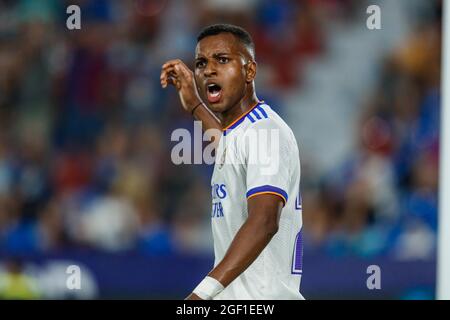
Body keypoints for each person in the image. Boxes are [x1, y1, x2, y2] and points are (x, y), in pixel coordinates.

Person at [160, 24, 304, 300]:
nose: (209, 70)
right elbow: (230, 148)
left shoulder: (265, 132)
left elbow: (264, 221)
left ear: (250, 71)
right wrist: (195, 105)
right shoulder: (244, 132)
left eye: (222, 60)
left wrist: (200, 295)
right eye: (201, 63)